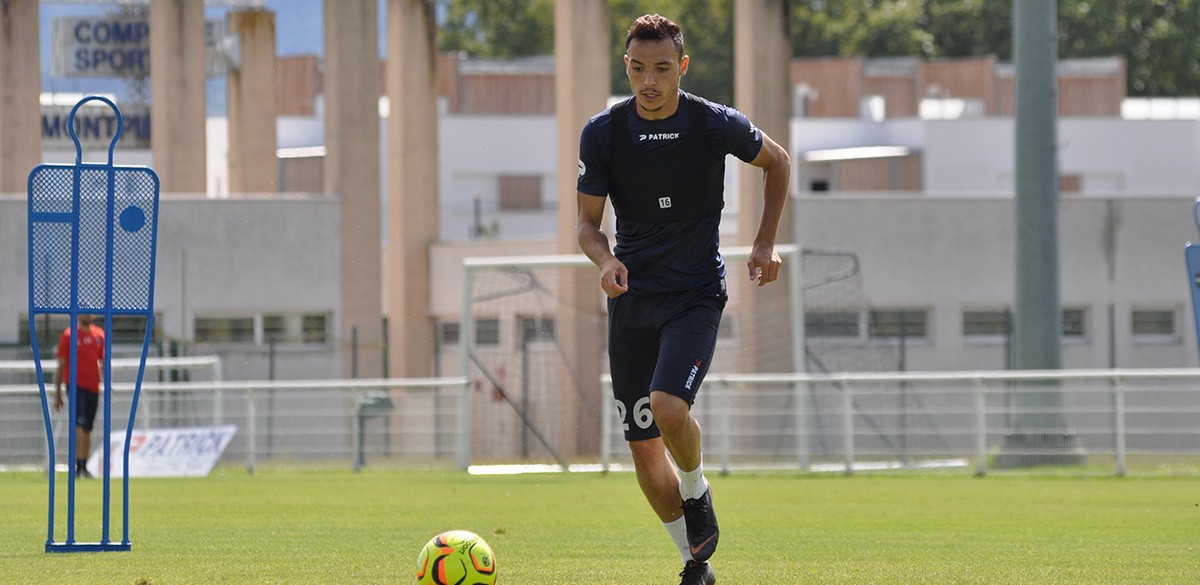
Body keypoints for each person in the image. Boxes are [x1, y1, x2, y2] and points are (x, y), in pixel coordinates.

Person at [575, 13, 790, 585]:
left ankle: (697, 490)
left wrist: (765, 241)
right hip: (632, 299)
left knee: (670, 408)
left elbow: (778, 162)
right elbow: (587, 225)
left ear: (682, 68)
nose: (649, 81)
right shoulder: (603, 132)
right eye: (639, 68)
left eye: (662, 69)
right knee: (644, 448)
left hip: (694, 294)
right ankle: (694, 563)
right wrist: (607, 260)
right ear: (626, 66)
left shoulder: (714, 123)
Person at [54, 314, 106, 479]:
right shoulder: (69, 335)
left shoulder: (99, 335)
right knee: (79, 422)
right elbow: (61, 364)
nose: (88, 316)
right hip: (76, 386)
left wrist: (107, 381)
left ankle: (84, 463)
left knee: (88, 425)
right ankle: (78, 464)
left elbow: (103, 361)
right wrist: (58, 392)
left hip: (93, 387)